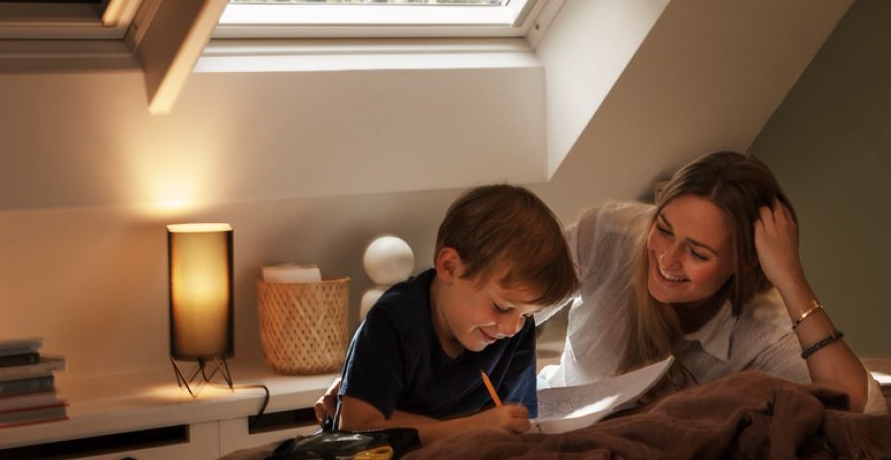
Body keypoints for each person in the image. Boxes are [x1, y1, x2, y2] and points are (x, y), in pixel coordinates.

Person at [536, 150, 886, 414]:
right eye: (663, 228)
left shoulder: (762, 333)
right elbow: (506, 299)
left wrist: (791, 279)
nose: (667, 259)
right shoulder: (606, 234)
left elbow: (860, 414)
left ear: (746, 262)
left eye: (698, 254)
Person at [330, 184, 579, 444]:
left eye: (527, 315)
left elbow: (513, 427)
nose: (510, 328)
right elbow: (355, 430)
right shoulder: (393, 322)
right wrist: (473, 427)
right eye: (501, 307)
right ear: (449, 267)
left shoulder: (515, 332)